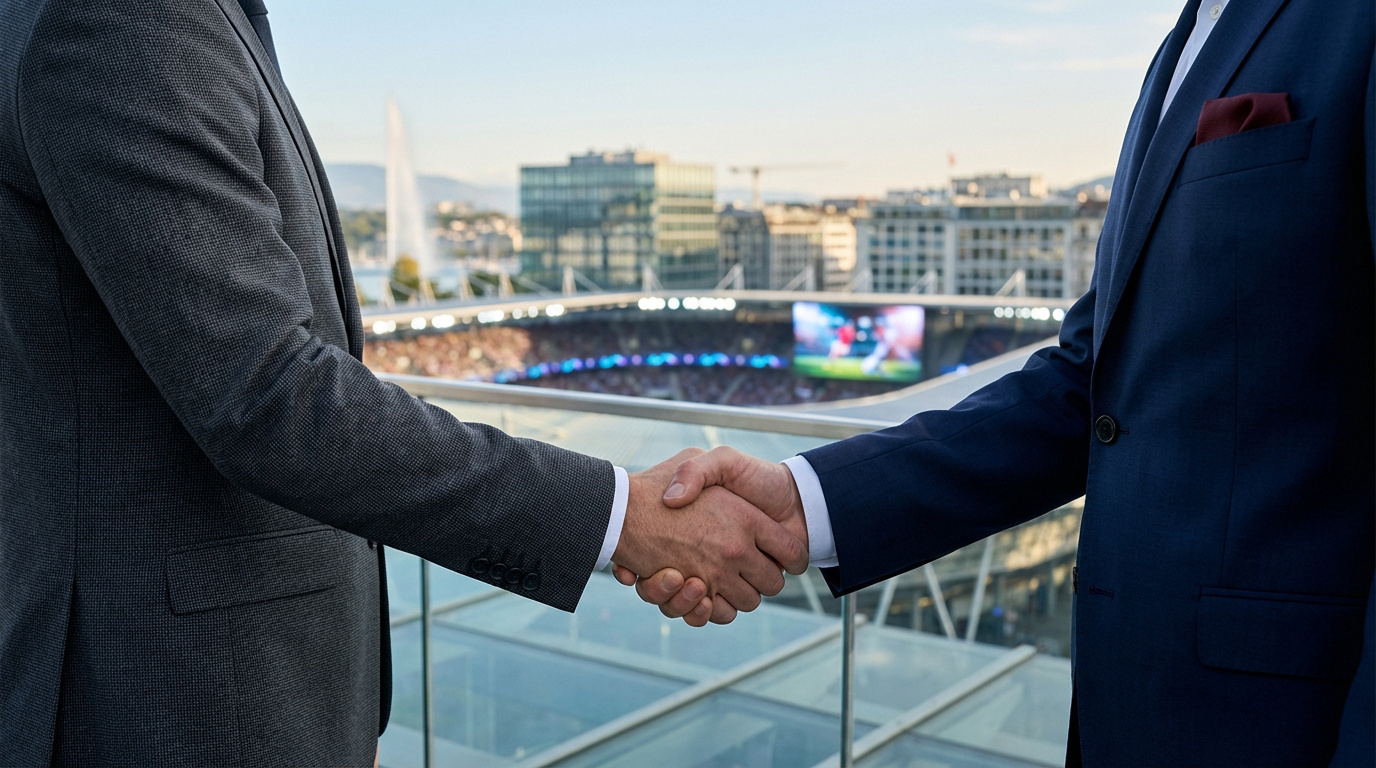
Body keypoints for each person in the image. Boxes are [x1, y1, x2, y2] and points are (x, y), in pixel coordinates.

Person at [0, 0, 803, 764]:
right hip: (178, 702)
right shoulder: (122, 17)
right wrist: (621, 515)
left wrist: (346, 716)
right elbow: (269, 396)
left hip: (250, 694)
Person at [622, 0, 1376, 764]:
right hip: (1135, 711)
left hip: (1284, 723)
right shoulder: (1181, 47)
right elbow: (1090, 389)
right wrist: (805, 501)